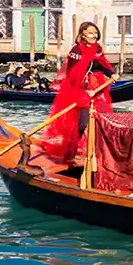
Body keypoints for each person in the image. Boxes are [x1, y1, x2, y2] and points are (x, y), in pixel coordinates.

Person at [43, 22, 114, 161]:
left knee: (99, 121)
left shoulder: (98, 48)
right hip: (80, 89)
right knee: (81, 124)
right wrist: (81, 92)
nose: (93, 35)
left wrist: (111, 73)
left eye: (95, 33)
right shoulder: (76, 50)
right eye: (90, 33)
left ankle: (96, 152)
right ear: (83, 34)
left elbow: (102, 64)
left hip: (97, 89)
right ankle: (71, 153)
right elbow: (71, 72)